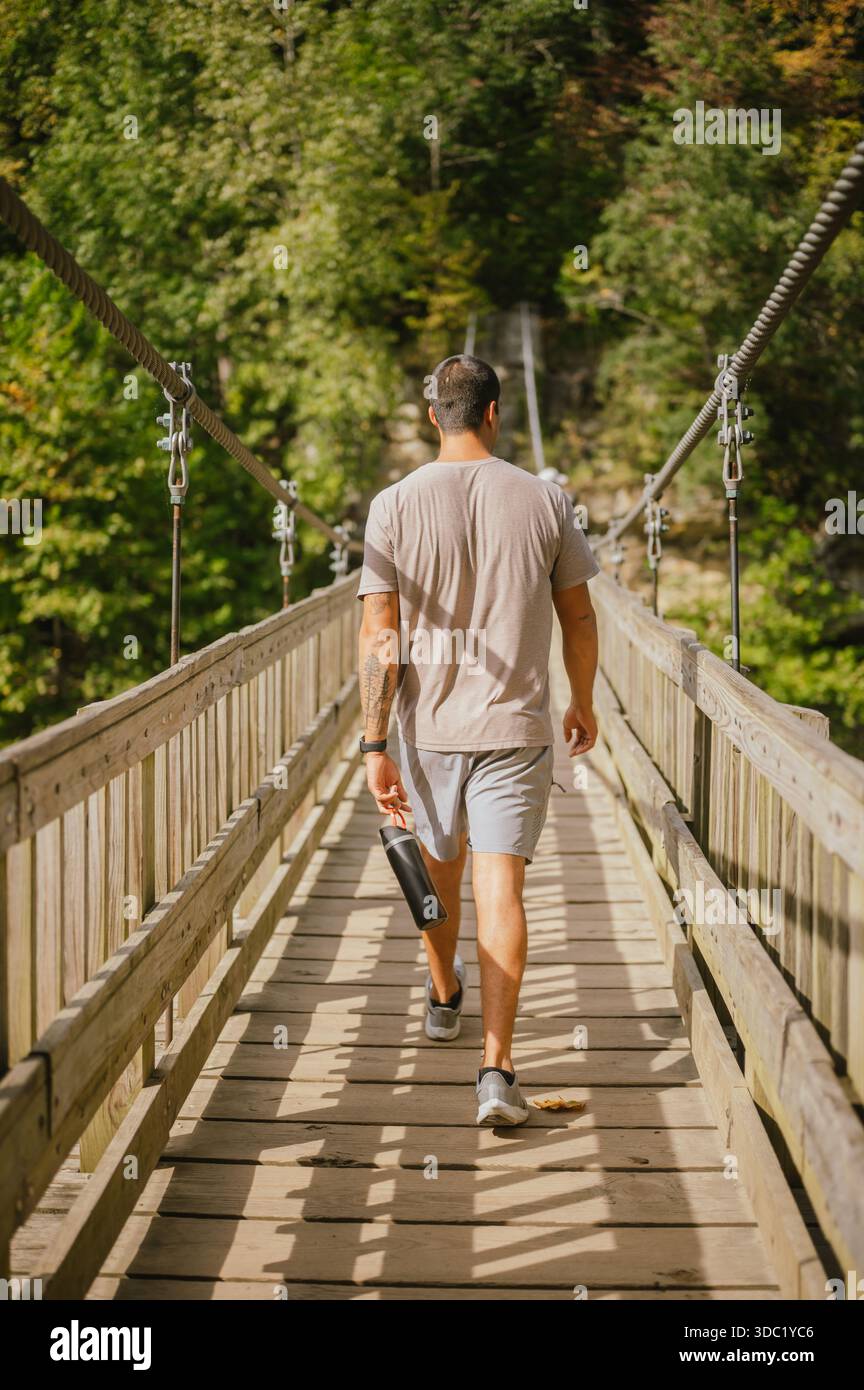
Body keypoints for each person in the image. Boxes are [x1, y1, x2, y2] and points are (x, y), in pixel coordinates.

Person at [356, 354, 599, 1125]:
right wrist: (583, 701)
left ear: (435, 416)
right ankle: (496, 1072)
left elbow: (380, 635)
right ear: (494, 413)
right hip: (517, 728)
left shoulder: (391, 506)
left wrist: (373, 745)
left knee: (440, 881)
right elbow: (580, 616)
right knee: (503, 890)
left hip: (428, 733)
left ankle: (444, 991)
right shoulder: (547, 500)